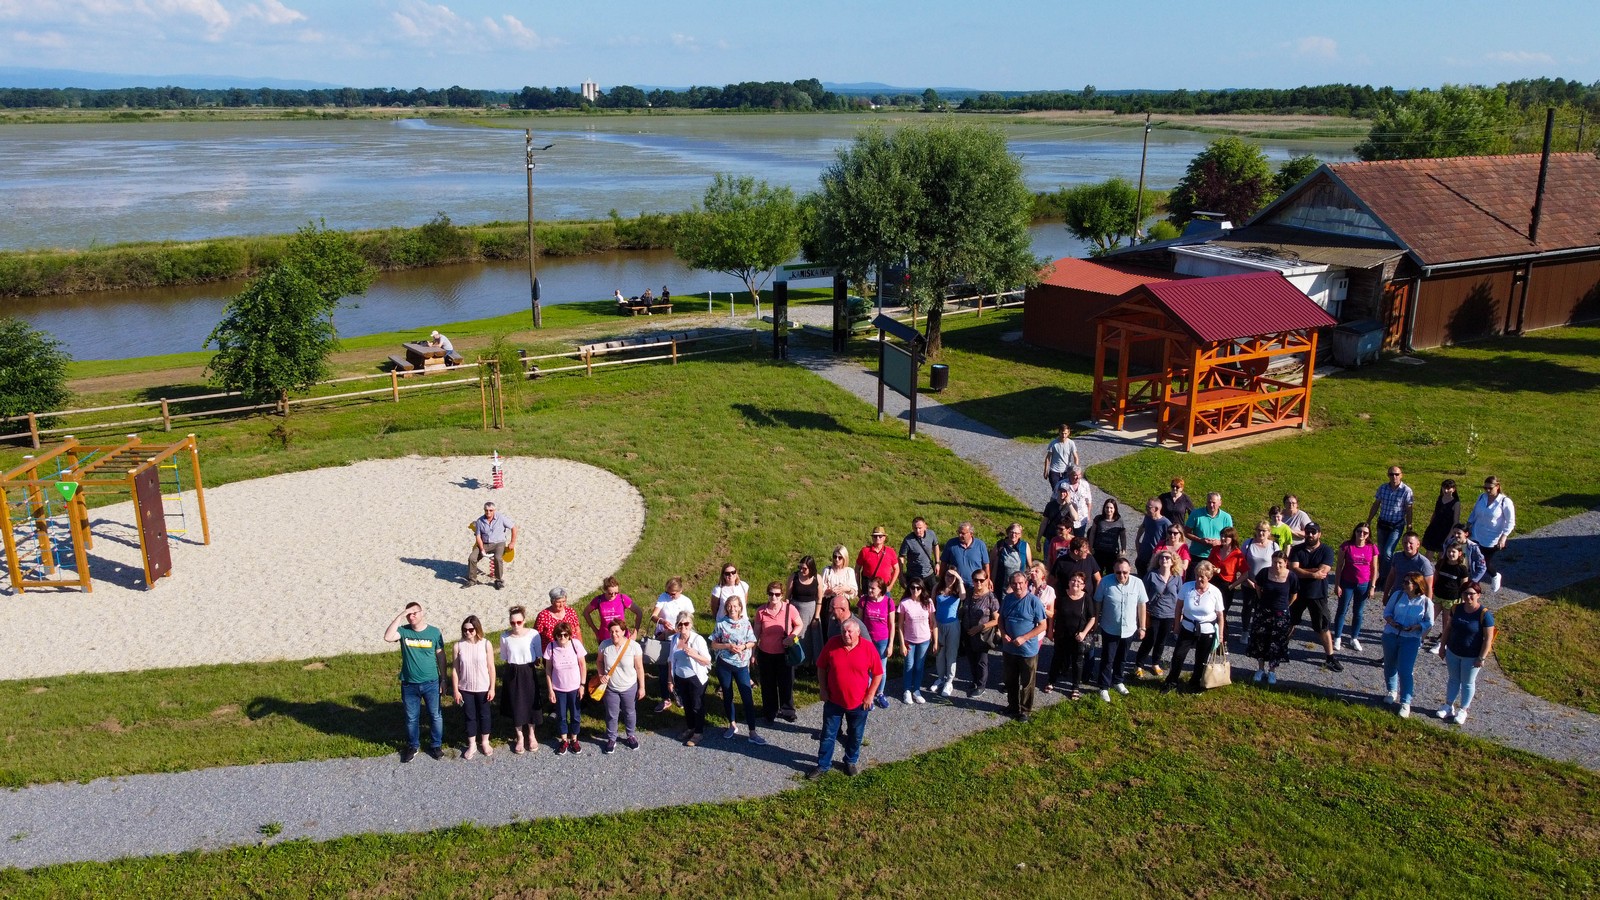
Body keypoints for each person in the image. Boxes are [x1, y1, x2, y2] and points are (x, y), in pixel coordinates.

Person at [811, 617, 884, 778]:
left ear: (858, 633)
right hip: (833, 701)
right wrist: (823, 689)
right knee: (828, 735)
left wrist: (870, 695)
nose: (846, 635)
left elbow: (878, 673)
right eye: (843, 631)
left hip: (859, 704)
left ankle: (850, 761)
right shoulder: (832, 644)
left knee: (855, 734)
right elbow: (821, 667)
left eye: (850, 631)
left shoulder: (868, 648)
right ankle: (823, 765)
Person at [384, 602, 445, 762]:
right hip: (409, 683)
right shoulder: (404, 631)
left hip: (431, 682)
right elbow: (388, 637)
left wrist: (443, 679)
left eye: (415, 613)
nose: (412, 616)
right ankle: (413, 746)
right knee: (412, 717)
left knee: (435, 715)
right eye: (409, 614)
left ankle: (436, 745)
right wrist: (400, 615)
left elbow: (440, 655)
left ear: (422, 612)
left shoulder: (434, 632)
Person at [1162, 561, 1225, 694]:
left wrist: (1221, 635)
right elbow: (1179, 607)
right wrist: (1177, 625)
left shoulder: (1215, 592)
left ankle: (1195, 682)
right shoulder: (1187, 587)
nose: (1199, 579)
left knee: (1201, 659)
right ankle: (1171, 681)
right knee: (1178, 655)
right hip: (1187, 627)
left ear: (1209, 577)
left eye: (1202, 576)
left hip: (1207, 630)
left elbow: (1220, 615)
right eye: (1197, 575)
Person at [1288, 523, 1343, 672]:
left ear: (1319, 534)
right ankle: (1280, 649)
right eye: (1308, 532)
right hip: (1296, 593)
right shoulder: (1296, 549)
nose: (1310, 535)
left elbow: (1323, 571)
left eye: (1313, 532)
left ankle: (1330, 657)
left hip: (1318, 594)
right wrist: (1312, 573)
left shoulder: (1326, 550)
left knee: (1323, 627)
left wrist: (1302, 570)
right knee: (1289, 622)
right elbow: (1293, 569)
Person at [1437, 585, 1495, 725]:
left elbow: (1488, 639)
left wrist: (1481, 657)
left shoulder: (1484, 614)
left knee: (1468, 683)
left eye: (1471, 594)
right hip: (1453, 651)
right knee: (1453, 679)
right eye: (1465, 593)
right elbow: (1448, 628)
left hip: (1472, 656)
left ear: (1478, 595)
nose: (1468, 597)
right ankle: (1448, 705)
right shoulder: (1456, 608)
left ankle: (1463, 709)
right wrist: (1442, 646)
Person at [1093, 559, 1148, 703]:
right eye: (1118, 572)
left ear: (1130, 570)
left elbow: (1142, 605)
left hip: (1129, 629)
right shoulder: (1105, 582)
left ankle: (1118, 681)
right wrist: (1096, 623)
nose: (1122, 575)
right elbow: (1097, 601)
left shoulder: (1138, 583)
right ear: (1113, 570)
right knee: (1107, 658)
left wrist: (1142, 627)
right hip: (1110, 627)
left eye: (1125, 572)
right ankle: (1103, 686)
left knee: (1122, 657)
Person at [710, 596, 763, 744]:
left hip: (741, 666)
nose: (732, 609)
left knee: (747, 697)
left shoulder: (745, 623)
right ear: (726, 608)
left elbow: (752, 641)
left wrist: (744, 647)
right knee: (728, 695)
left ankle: (752, 732)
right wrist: (727, 646)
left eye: (735, 606)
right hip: (724, 664)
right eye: (730, 606)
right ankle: (732, 725)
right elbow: (713, 644)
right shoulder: (720, 624)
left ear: (740, 608)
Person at [1382, 573, 1436, 718]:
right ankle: (1391, 691)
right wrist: (1391, 621)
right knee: (1389, 664)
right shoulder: (1398, 595)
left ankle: (1405, 702)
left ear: (1417, 585)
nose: (1404, 584)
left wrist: (1418, 627)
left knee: (1405, 670)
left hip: (1411, 639)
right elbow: (1387, 612)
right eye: (1404, 581)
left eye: (1408, 582)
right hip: (1391, 635)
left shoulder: (1425, 602)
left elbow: (1429, 622)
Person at [999, 571, 1047, 722]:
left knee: (1027, 682)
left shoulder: (1034, 602)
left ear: (1026, 584)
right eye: (1014, 583)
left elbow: (1042, 625)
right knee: (1011, 679)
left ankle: (1025, 710)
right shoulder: (1007, 599)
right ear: (1011, 585)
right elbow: (1001, 619)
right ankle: (1012, 706)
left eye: (1021, 583)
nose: (1018, 586)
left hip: (1027, 650)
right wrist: (1003, 632)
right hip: (1009, 648)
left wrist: (1025, 637)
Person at [754, 581, 803, 724]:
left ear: (781, 595)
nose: (773, 597)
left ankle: (788, 710)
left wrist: (791, 637)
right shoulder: (761, 611)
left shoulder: (790, 609)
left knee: (786, 683)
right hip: (765, 653)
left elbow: (799, 624)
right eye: (771, 594)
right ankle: (770, 712)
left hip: (784, 653)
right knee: (768, 684)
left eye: (777, 594)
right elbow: (756, 633)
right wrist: (752, 652)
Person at [1249, 552, 1298, 684]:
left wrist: (1285, 606)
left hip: (1280, 615)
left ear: (1285, 563)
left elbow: (1294, 595)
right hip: (1263, 612)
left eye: (1280, 563)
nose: (1276, 565)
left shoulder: (1291, 576)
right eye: (1274, 562)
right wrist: (1262, 601)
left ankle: (1272, 671)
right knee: (1260, 640)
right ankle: (1260, 669)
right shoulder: (1264, 573)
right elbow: (1257, 587)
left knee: (1276, 643)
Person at [596, 620, 645, 754]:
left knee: (629, 712)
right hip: (611, 688)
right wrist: (601, 675)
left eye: (617, 631)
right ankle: (612, 738)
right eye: (611, 631)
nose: (614, 634)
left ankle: (630, 735)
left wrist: (642, 687)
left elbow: (639, 668)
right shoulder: (604, 645)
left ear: (623, 631)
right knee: (612, 714)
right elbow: (599, 662)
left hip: (629, 686)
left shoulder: (633, 647)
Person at [451, 615, 496, 760]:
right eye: (465, 630)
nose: (467, 632)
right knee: (470, 716)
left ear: (477, 629)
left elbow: (491, 667)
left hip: (483, 686)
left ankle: (485, 741)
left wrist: (492, 687)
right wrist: (456, 690)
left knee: (485, 715)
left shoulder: (485, 644)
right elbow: (455, 669)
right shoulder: (458, 646)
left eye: (470, 630)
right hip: (465, 687)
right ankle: (472, 744)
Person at [498, 605, 541, 754]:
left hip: (528, 670)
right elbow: (504, 657)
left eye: (519, 622)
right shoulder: (505, 637)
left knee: (530, 703)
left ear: (524, 621)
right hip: (513, 671)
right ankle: (519, 737)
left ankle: (531, 734)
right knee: (516, 704)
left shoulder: (533, 634)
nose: (516, 625)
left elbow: (538, 656)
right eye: (512, 623)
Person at [1045, 571, 1095, 699]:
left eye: (1079, 581)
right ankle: (1051, 681)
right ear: (1068, 582)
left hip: (1078, 636)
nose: (1076, 583)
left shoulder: (1087, 598)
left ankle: (1075, 687)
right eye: (1073, 580)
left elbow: (1092, 618)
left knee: (1077, 662)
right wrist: (1050, 629)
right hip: (1061, 634)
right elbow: (1053, 614)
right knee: (1057, 658)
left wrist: (1084, 633)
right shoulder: (1061, 597)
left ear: (1083, 585)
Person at [1134, 550, 1181, 680]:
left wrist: (1180, 613)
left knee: (1161, 641)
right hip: (1153, 612)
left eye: (1167, 558)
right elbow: (1141, 594)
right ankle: (1139, 665)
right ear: (1158, 560)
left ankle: (1155, 663)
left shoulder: (1177, 578)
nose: (1164, 559)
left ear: (1173, 562)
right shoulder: (1151, 575)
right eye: (1161, 558)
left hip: (1169, 614)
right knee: (1150, 639)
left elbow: (1180, 596)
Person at [650, 578, 696, 712]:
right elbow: (653, 616)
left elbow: (689, 620)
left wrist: (681, 630)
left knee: (679, 668)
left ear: (680, 591)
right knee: (664, 670)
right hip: (664, 637)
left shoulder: (686, 601)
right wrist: (662, 621)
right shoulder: (663, 598)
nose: (670, 596)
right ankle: (665, 698)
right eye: (668, 592)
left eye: (673, 594)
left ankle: (679, 695)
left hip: (680, 637)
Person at [1333, 524, 1379, 653]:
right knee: (1342, 610)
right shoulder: (1347, 546)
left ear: (1368, 535)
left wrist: (1373, 586)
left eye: (1365, 532)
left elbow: (1374, 568)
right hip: (1347, 583)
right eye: (1359, 531)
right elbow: (1339, 566)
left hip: (1363, 584)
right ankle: (1337, 637)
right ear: (1355, 532)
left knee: (1358, 612)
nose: (1362, 534)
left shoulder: (1372, 548)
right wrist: (1337, 584)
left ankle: (1354, 637)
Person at [543, 621, 587, 754]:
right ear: (555, 636)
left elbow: (583, 665)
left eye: (565, 635)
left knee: (575, 715)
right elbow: (548, 670)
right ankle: (563, 740)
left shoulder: (575, 644)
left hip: (574, 688)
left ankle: (574, 739)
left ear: (569, 635)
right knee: (561, 716)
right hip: (559, 689)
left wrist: (582, 685)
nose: (562, 638)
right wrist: (550, 690)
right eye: (559, 635)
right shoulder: (551, 647)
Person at [1367, 464, 1415, 584]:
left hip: (1396, 525)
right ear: (1388, 475)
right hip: (1382, 524)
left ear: (1401, 475)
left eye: (1396, 474)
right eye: (1391, 474)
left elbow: (1409, 509)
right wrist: (1369, 520)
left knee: (1388, 552)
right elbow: (1376, 504)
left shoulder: (1406, 491)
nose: (1394, 477)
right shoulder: (1383, 488)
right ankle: (1383, 575)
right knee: (1381, 552)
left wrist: (1409, 525)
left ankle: (1385, 578)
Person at [1467, 476, 1516, 593]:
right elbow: (1474, 513)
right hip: (1476, 533)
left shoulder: (1505, 502)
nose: (1487, 491)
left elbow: (1510, 521)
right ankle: (1474, 587)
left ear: (1497, 487)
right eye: (1485, 488)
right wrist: (1468, 525)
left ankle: (1494, 575)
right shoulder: (1481, 498)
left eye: (1490, 488)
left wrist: (1504, 537)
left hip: (1491, 538)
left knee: (1484, 563)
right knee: (1473, 561)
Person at [670, 611, 712, 746]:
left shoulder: (697, 639)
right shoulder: (674, 639)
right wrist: (670, 679)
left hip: (695, 678)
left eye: (686, 623)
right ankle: (691, 727)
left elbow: (707, 661)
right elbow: (671, 660)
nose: (683, 627)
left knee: (696, 705)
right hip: (680, 677)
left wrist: (694, 654)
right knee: (686, 704)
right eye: (680, 624)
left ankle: (698, 733)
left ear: (691, 624)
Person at [858, 577, 897, 709]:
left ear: (881, 590)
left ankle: (880, 693)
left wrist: (891, 644)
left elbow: (892, 624)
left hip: (882, 640)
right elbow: (859, 622)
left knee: (881, 669)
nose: (869, 590)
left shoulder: (888, 602)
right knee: (867, 668)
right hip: (867, 640)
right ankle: (869, 695)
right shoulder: (864, 601)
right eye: (869, 587)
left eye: (873, 588)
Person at [960, 571, 1000, 697]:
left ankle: (982, 685)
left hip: (982, 634)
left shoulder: (990, 597)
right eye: (976, 580)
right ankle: (975, 681)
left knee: (981, 661)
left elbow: (996, 619)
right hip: (967, 632)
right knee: (971, 659)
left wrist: (980, 627)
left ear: (987, 580)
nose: (978, 583)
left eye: (981, 580)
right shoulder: (970, 592)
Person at [1238, 521, 1279, 638]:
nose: (1261, 533)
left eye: (1264, 531)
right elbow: (1241, 564)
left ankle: (1258, 631)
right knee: (1247, 606)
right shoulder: (1248, 544)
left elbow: (1277, 565)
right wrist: (1247, 580)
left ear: (1269, 532)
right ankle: (1245, 631)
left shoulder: (1274, 546)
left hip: (1266, 585)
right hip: (1248, 583)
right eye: (1259, 530)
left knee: (1262, 608)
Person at [897, 580, 936, 704]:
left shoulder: (928, 602)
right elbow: (900, 625)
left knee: (919, 666)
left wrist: (934, 641)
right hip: (909, 640)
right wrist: (902, 643)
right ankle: (907, 690)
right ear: (909, 588)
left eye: (918, 588)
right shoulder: (904, 603)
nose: (915, 591)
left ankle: (917, 690)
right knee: (909, 665)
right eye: (913, 588)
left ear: (922, 589)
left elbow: (933, 621)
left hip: (924, 640)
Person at [465, 501, 517, 590]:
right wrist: (482, 549)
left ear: (494, 510)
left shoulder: (501, 518)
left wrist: (512, 542)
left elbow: (513, 528)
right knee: (472, 558)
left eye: (490, 510)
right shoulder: (480, 521)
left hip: (498, 543)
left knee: (498, 558)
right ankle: (472, 580)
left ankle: (498, 580)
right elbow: (478, 536)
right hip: (484, 543)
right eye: (486, 510)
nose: (488, 512)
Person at [930, 569, 964, 698]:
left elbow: (963, 597)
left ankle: (949, 681)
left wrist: (959, 579)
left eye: (953, 576)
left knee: (951, 653)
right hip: (939, 624)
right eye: (948, 575)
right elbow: (932, 606)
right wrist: (931, 624)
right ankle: (940, 678)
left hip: (953, 625)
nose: (950, 578)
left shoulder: (957, 590)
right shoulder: (937, 588)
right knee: (939, 652)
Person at [787, 556, 822, 670]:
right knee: (796, 635)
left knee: (810, 637)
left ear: (811, 568)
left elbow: (819, 599)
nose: (801, 570)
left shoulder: (817, 578)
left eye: (805, 568)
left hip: (811, 611)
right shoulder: (794, 577)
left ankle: (809, 663)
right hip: (796, 609)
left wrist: (816, 617)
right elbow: (787, 597)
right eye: (800, 567)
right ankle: (797, 662)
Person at [1185, 492, 1233, 568]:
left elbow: (1230, 537)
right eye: (1209, 502)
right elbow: (1186, 532)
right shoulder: (1196, 514)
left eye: (1214, 503)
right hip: (1197, 555)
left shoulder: (1226, 517)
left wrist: (1219, 542)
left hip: (1217, 556)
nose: (1211, 505)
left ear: (1220, 503)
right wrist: (1200, 540)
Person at [1382, 532, 1436, 599]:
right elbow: (1392, 576)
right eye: (1405, 543)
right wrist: (1386, 594)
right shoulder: (1397, 556)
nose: (1407, 545)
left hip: (1414, 599)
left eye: (1411, 543)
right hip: (1396, 595)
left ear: (1418, 544)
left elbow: (1429, 587)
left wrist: (1427, 605)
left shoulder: (1424, 563)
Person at [1207, 526, 1246, 617]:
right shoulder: (1216, 549)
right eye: (1221, 536)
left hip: (1227, 585)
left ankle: (1222, 631)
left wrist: (1232, 586)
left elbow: (1245, 574)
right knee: (1210, 611)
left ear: (1232, 538)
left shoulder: (1237, 554)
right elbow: (1208, 564)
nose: (1223, 538)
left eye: (1226, 536)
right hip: (1213, 582)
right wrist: (1211, 567)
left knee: (1222, 614)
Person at [898, 517, 941, 595]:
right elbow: (901, 556)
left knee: (934, 595)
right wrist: (901, 575)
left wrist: (937, 562)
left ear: (925, 526)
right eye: (915, 528)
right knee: (915, 598)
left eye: (920, 528)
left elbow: (936, 545)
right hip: (914, 575)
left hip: (929, 573)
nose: (917, 531)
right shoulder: (908, 540)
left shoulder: (931, 534)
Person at [943, 522, 990, 591]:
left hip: (975, 585)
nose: (959, 535)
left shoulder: (980, 545)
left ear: (971, 534)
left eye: (963, 533)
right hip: (955, 585)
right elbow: (943, 564)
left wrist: (987, 581)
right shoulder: (951, 544)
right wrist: (942, 581)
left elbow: (986, 566)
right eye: (958, 532)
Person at [1421, 479, 1461, 554]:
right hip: (1435, 528)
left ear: (1453, 489)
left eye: (1448, 488)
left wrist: (1450, 535)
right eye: (1444, 488)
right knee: (1429, 552)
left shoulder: (1456, 503)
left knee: (1442, 554)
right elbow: (1435, 513)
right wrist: (1430, 527)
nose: (1445, 490)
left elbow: (1456, 521)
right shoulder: (1440, 498)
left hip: (1446, 530)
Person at [857, 526, 901, 592]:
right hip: (868, 588)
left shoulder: (890, 551)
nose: (877, 538)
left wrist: (890, 586)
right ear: (872, 537)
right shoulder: (865, 551)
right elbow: (857, 569)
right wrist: (858, 588)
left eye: (880, 536)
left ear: (884, 538)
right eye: (875, 536)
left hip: (884, 588)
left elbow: (897, 569)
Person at [1088, 499, 1127, 574]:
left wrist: (1123, 549)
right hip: (1099, 551)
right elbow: (1092, 533)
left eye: (1111, 508)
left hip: (1112, 552)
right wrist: (1090, 547)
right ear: (1104, 508)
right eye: (1107, 507)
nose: (1109, 510)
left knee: (1111, 574)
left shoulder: (1119, 520)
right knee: (1097, 573)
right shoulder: (1098, 519)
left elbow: (1123, 536)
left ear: (1115, 509)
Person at [1134, 498, 1172, 575]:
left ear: (1156, 509)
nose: (1146, 509)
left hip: (1155, 558)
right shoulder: (1147, 517)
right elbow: (1143, 527)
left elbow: (1170, 541)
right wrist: (1137, 540)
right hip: (1143, 555)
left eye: (1149, 507)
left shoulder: (1166, 523)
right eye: (1146, 506)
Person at [819, 545, 860, 616]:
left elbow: (854, 591)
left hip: (843, 602)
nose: (837, 559)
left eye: (840, 557)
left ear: (844, 558)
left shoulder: (849, 571)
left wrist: (845, 589)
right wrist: (830, 591)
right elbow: (821, 590)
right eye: (835, 556)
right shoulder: (827, 570)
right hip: (829, 603)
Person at [1039, 483, 1077, 553]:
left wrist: (1068, 502)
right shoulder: (1050, 505)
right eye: (1061, 491)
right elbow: (1044, 522)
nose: (1063, 493)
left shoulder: (1072, 506)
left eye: (1065, 491)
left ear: (1069, 493)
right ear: (1058, 491)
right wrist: (1038, 539)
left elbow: (1075, 518)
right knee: (1048, 560)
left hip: (1065, 540)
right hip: (1050, 537)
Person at [1042, 423, 1081, 487]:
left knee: (1066, 490)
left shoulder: (1071, 443)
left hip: (1066, 471)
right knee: (1056, 491)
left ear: (1068, 433)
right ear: (1059, 432)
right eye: (1062, 433)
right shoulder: (1053, 443)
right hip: (1054, 471)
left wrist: (1075, 470)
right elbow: (1048, 458)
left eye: (1065, 433)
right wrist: (1045, 471)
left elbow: (1076, 457)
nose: (1063, 435)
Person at [1061, 467, 1094, 538]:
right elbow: (1054, 500)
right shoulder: (1062, 484)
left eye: (1079, 475)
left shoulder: (1085, 485)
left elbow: (1089, 501)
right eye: (1075, 475)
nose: (1078, 477)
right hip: (1066, 519)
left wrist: (1088, 514)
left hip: (1081, 518)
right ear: (1069, 475)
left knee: (1079, 540)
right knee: (1066, 539)